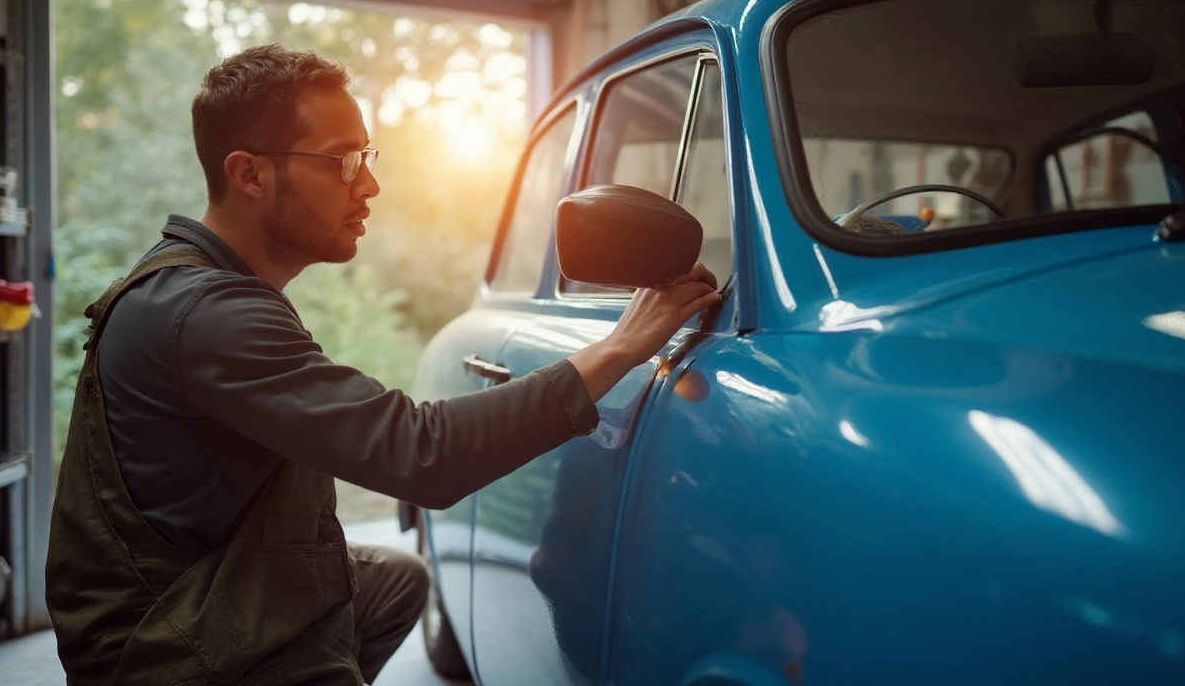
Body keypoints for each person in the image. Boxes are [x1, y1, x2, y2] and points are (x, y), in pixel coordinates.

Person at [46, 43, 720, 685]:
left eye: (366, 155)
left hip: (191, 599)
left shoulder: (203, 293)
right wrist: (620, 347)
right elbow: (418, 454)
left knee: (396, 581)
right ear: (250, 174)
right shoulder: (207, 315)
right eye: (343, 161)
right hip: (160, 652)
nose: (369, 184)